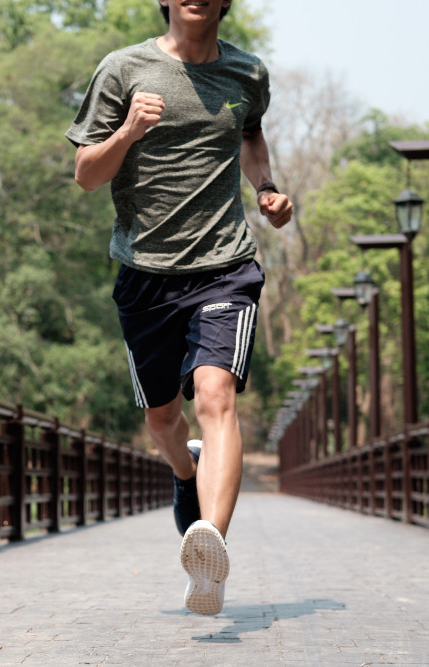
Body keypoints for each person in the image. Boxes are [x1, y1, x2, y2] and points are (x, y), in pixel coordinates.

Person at [65, 0, 291, 616]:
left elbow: (249, 131)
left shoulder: (247, 74)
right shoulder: (123, 69)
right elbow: (86, 173)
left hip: (225, 266)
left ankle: (210, 549)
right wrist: (129, 131)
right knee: (164, 422)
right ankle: (185, 476)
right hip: (145, 274)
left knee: (215, 395)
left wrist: (265, 188)